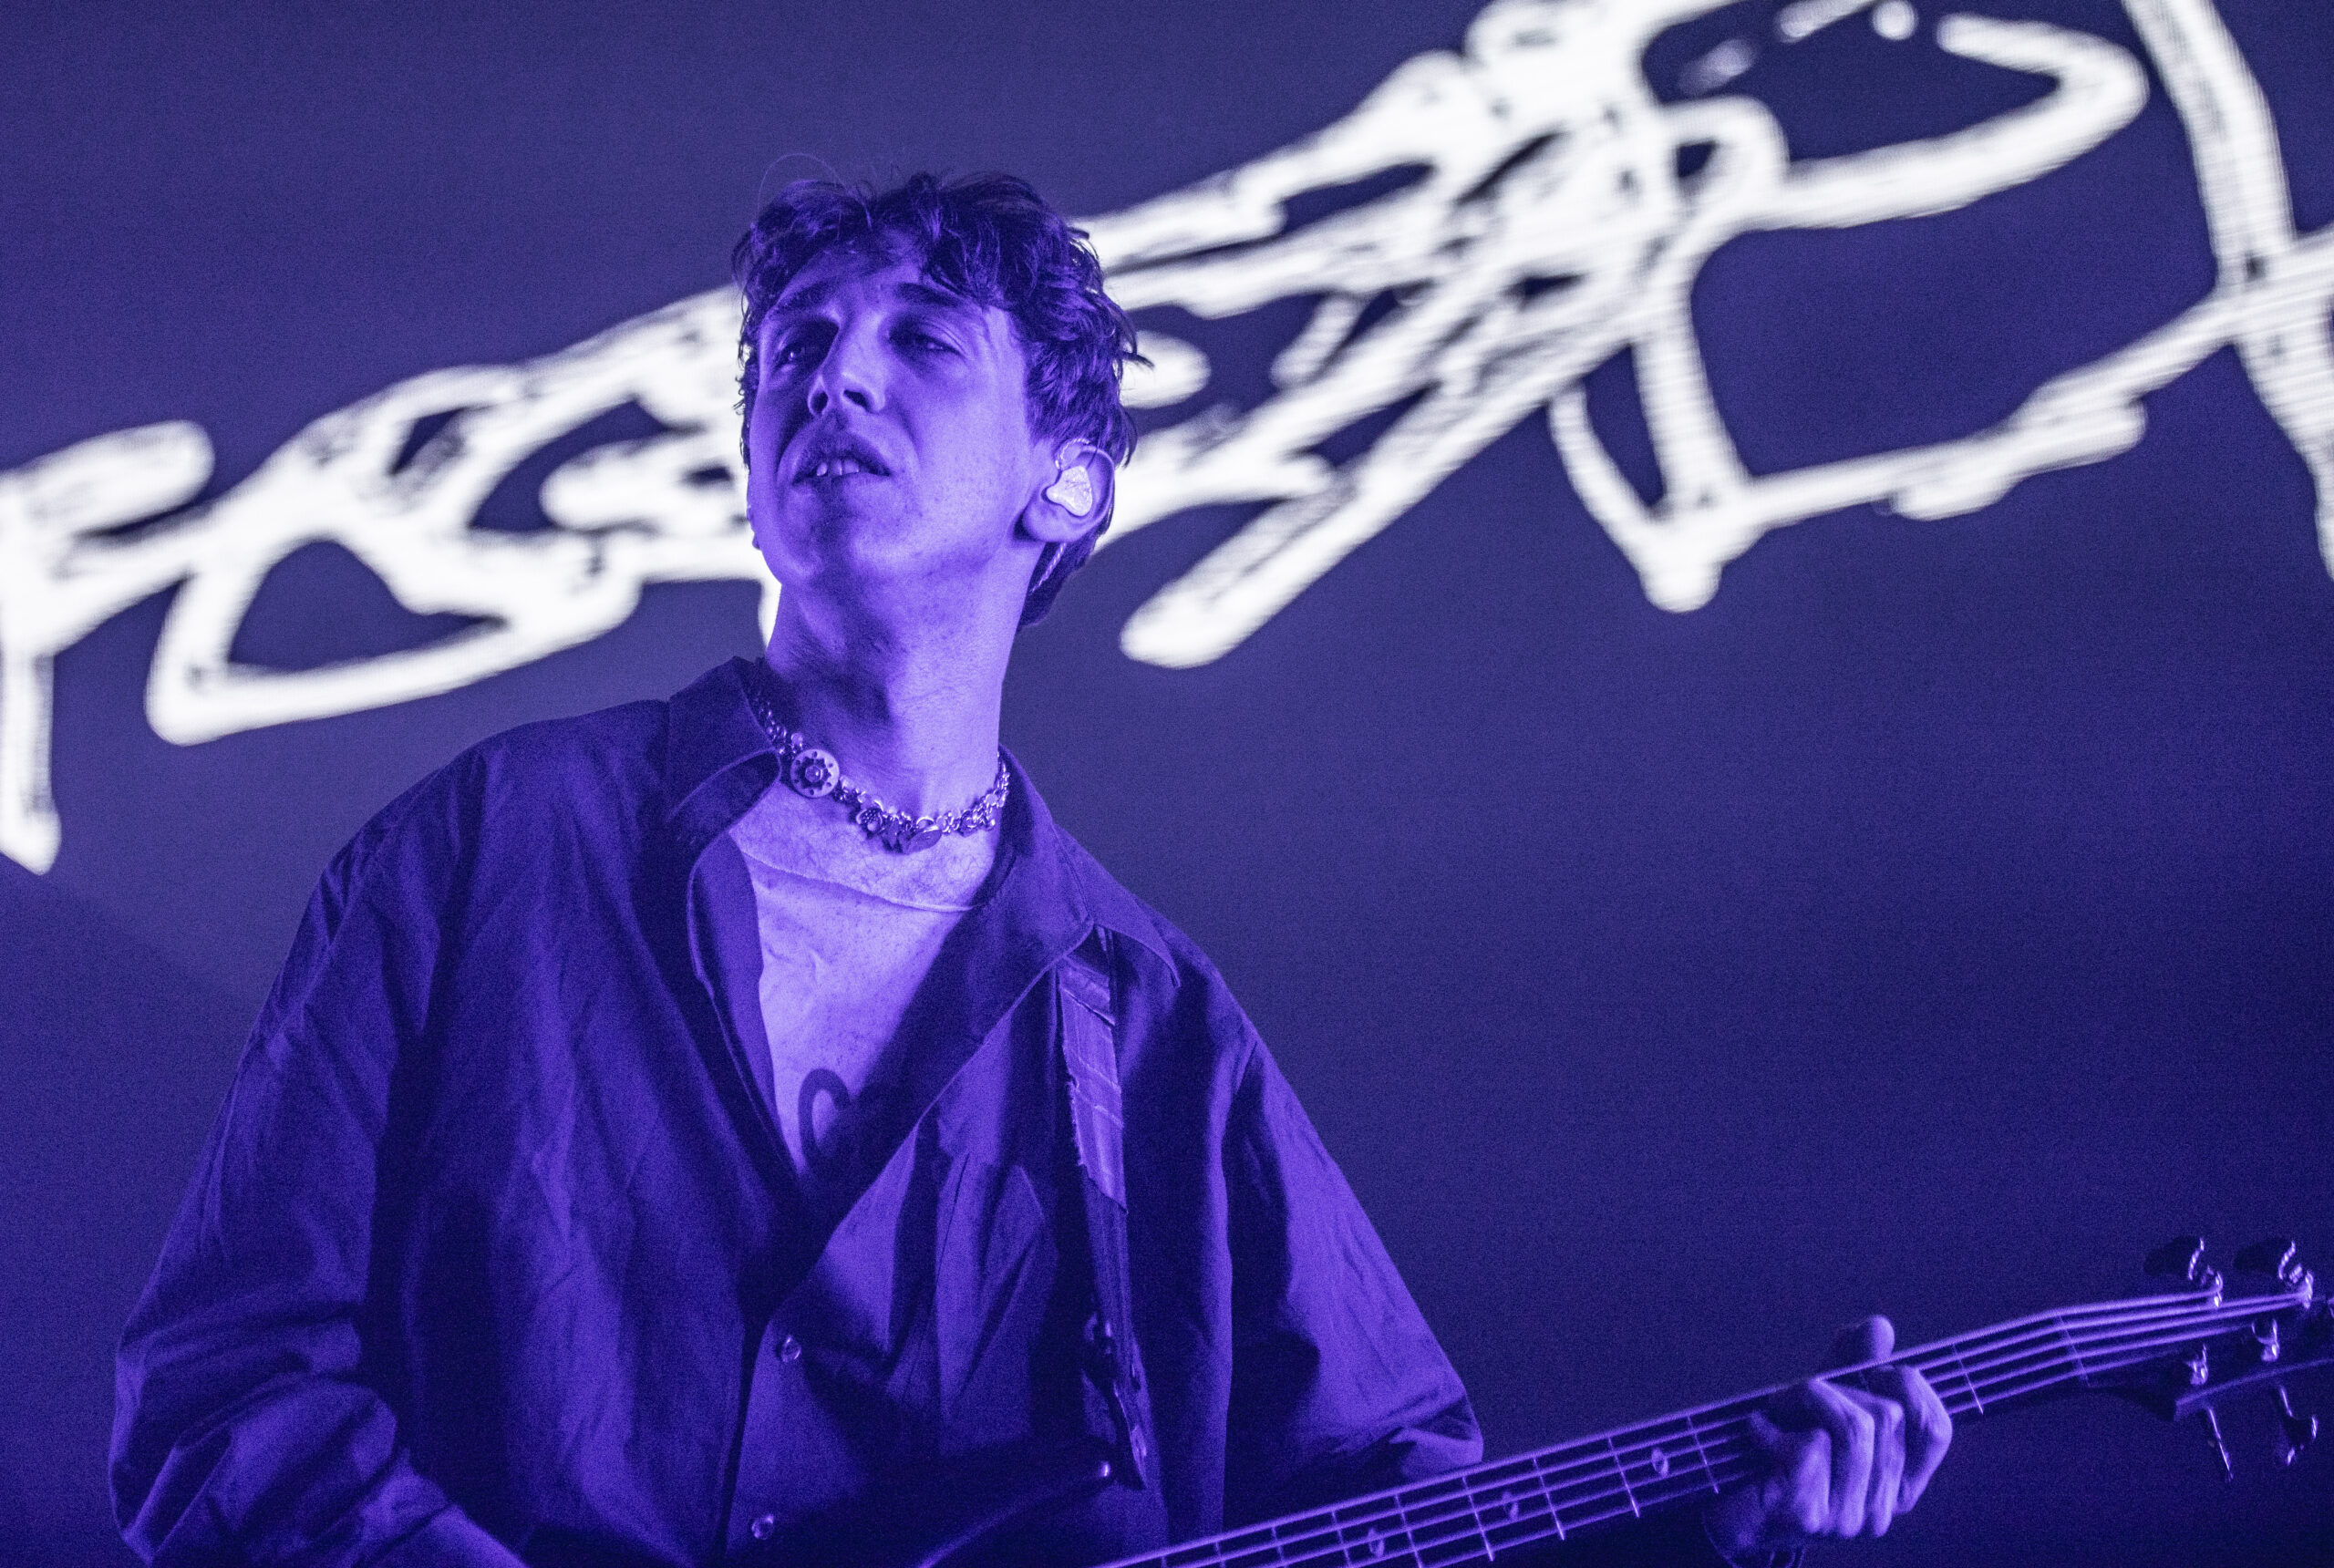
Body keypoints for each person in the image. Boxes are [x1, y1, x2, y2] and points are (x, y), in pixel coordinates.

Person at [112, 173, 1948, 1568]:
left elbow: (1381, 1497)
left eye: (921, 339)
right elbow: (219, 1391)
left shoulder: (1150, 1021)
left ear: (1064, 485)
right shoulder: (485, 847)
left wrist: (1709, 1529)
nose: (834, 373)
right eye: (797, 345)